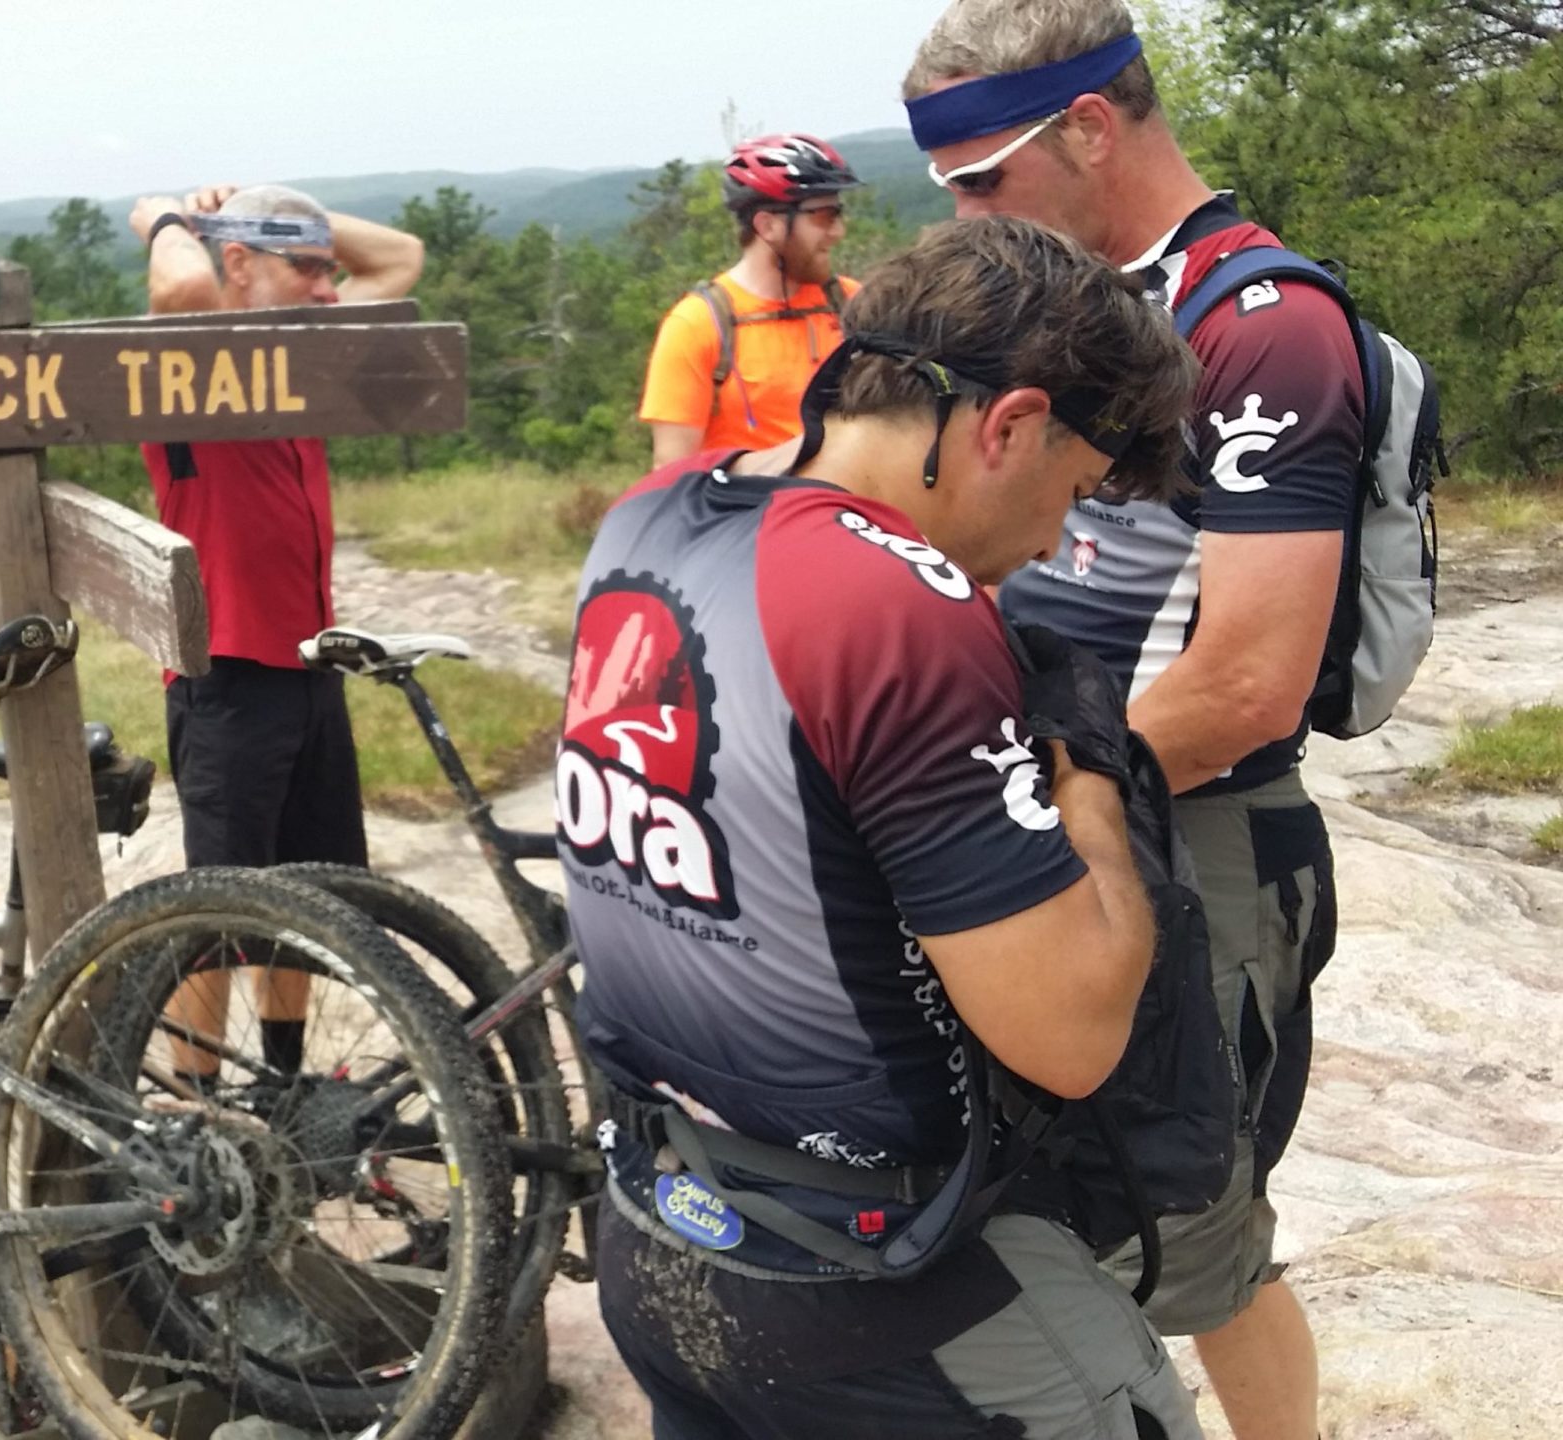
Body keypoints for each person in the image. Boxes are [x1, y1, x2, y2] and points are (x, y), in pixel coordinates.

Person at [566, 215, 1203, 1438]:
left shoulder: (648, 517)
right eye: (1070, 492)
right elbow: (1069, 1031)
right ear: (1007, 425)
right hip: (878, 1279)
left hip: (659, 1221)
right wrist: (1088, 769)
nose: (1055, 541)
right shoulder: (891, 597)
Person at [905, 6, 1363, 1435]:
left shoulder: (1264, 328)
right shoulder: (1052, 303)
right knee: (1051, 1205)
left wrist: (1008, 803)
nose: (968, 222)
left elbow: (1248, 680)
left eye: (984, 181)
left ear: (1091, 127)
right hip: (1057, 803)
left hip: (1193, 831)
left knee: (1197, 1233)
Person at [123, 184, 424, 1082]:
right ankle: (200, 1101)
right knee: (214, 916)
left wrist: (279, 199)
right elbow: (180, 290)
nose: (331, 288)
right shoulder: (186, 358)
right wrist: (172, 218)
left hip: (308, 670)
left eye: (329, 271)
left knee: (306, 896)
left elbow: (400, 258)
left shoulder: (305, 353)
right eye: (306, 268)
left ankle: (285, 1085)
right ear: (240, 266)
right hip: (227, 677)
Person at [637, 135, 863, 466]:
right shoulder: (699, 325)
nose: (838, 231)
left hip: (848, 509)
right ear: (767, 225)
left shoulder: (852, 304)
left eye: (838, 214)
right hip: (749, 513)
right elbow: (672, 473)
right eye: (824, 216)